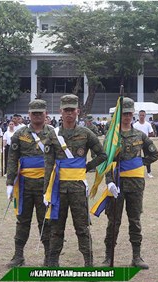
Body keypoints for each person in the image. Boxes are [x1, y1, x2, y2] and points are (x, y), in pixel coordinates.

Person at [43, 94, 107, 267]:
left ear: (78, 111)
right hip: (58, 189)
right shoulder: (53, 135)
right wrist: (46, 192)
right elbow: (48, 165)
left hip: (78, 189)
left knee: (82, 228)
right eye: (66, 110)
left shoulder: (85, 133)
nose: (69, 113)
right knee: (56, 227)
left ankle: (88, 264)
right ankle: (53, 264)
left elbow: (102, 155)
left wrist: (86, 167)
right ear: (60, 112)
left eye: (72, 110)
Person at [100, 97, 158, 269]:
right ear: (119, 115)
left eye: (129, 114)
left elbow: (154, 155)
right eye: (124, 114)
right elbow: (106, 161)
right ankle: (107, 257)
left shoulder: (140, 135)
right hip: (117, 184)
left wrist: (138, 163)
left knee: (135, 220)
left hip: (135, 184)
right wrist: (109, 182)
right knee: (113, 221)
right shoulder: (112, 137)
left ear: (133, 114)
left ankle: (137, 256)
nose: (126, 117)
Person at [6, 99, 53, 267]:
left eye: (40, 112)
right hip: (24, 185)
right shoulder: (20, 134)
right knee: (22, 221)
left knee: (46, 221)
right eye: (34, 113)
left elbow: (58, 159)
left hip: (45, 185)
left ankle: (48, 258)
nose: (37, 116)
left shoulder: (53, 134)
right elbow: (12, 159)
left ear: (45, 114)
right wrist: (10, 183)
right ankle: (18, 256)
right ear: (29, 115)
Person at [133, 110, 155, 178]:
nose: (142, 116)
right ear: (138, 116)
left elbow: (152, 133)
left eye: (143, 115)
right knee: (137, 157)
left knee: (147, 157)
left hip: (146, 142)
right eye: (140, 115)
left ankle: (149, 172)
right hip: (137, 143)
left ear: (145, 116)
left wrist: (147, 136)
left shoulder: (148, 124)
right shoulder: (135, 125)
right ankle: (137, 172)